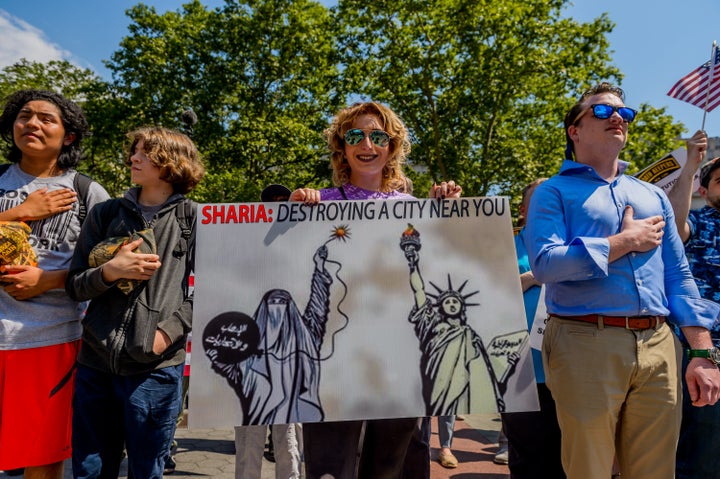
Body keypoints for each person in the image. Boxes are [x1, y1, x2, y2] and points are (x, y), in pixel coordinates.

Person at [525, 82, 720, 479]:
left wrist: (702, 352)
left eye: (624, 113)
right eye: (601, 111)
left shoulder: (653, 196)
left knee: (656, 472)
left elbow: (679, 276)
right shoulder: (552, 192)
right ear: (574, 131)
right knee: (589, 471)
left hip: (660, 345)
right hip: (582, 341)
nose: (618, 117)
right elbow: (546, 264)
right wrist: (622, 242)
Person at [290, 101, 461, 479]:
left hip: (398, 359)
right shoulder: (320, 203)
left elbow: (440, 272)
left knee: (387, 466)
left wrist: (449, 217)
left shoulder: (415, 208)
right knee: (329, 467)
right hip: (333, 361)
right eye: (355, 135)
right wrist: (292, 216)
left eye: (377, 136)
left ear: (392, 146)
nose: (366, 143)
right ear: (342, 147)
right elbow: (292, 270)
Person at [66, 126, 205, 478]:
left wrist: (168, 331)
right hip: (94, 364)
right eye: (135, 151)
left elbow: (214, 290)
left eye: (145, 152)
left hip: (155, 370)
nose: (133, 158)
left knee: (146, 470)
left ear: (172, 161)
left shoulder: (195, 219)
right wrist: (110, 272)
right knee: (90, 471)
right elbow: (74, 286)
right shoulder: (105, 213)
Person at [0, 89, 110, 479]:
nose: (32, 123)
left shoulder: (88, 192)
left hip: (50, 340)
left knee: (42, 458)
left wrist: (47, 280)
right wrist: (20, 212)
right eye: (24, 115)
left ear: (69, 137)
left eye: (46, 118)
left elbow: (111, 269)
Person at [233, 183, 303, 479]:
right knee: (249, 439)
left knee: (288, 441)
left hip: (288, 360)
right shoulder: (244, 245)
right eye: (270, 201)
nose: (277, 204)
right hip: (252, 360)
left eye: (283, 200)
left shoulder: (302, 244)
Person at [501, 178, 565, 478]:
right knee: (527, 458)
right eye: (539, 201)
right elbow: (483, 292)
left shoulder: (575, 244)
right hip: (520, 370)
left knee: (568, 457)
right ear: (524, 210)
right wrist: (534, 276)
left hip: (571, 367)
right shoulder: (503, 244)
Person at [667, 129, 720, 479]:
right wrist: (689, 168)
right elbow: (674, 227)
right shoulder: (698, 222)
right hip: (705, 349)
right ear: (704, 190)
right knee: (703, 449)